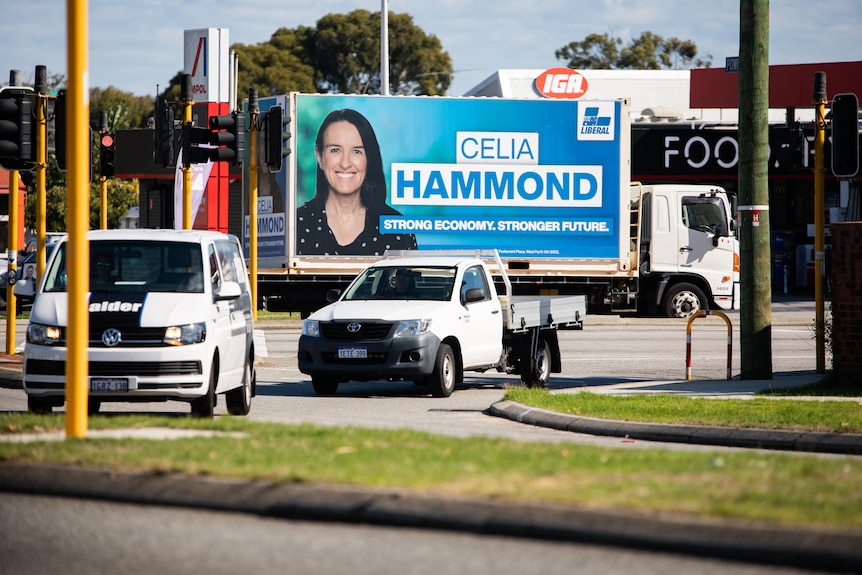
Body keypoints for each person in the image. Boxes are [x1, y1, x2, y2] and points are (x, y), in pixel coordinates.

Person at [296, 108, 417, 256]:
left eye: (357, 151)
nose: (345, 163)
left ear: (369, 159)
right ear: (320, 157)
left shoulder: (397, 229)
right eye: (335, 150)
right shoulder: (297, 225)